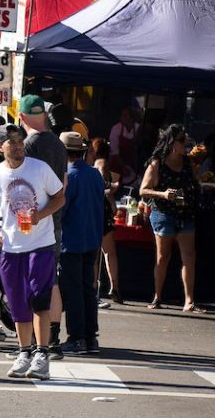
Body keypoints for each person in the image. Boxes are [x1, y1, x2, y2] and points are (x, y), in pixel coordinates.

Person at [0, 124, 64, 381]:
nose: (18, 147)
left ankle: (42, 354)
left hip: (40, 244)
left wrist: (40, 214)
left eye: (20, 142)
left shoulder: (39, 168)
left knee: (39, 298)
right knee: (17, 302)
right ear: (0, 146)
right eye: (12, 142)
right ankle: (24, 352)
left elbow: (60, 196)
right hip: (11, 247)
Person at [18, 94, 68, 357]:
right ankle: (54, 340)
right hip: (54, 218)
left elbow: (22, 189)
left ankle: (33, 345)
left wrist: (21, 225)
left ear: (22, 117)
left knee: (30, 281)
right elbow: (64, 184)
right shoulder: (59, 145)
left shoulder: (29, 145)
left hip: (33, 220)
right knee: (52, 280)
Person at [139, 124, 204, 313]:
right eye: (182, 141)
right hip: (164, 214)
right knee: (163, 256)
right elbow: (143, 190)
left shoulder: (187, 162)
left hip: (185, 213)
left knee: (189, 256)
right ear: (172, 143)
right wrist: (164, 194)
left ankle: (189, 301)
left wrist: (201, 183)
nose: (185, 144)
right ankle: (157, 296)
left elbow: (196, 180)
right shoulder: (157, 163)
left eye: (185, 140)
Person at [58, 132, 105, 354]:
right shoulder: (95, 174)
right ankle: (90, 337)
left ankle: (77, 338)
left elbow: (61, 210)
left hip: (71, 240)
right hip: (91, 239)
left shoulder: (69, 176)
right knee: (87, 288)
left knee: (73, 290)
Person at [90, 138, 122, 304]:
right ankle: (113, 286)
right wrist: (113, 190)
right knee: (108, 252)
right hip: (102, 211)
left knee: (96, 253)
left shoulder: (96, 163)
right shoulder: (102, 163)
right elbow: (104, 187)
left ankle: (95, 287)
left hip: (96, 211)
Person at [109, 106, 141, 189]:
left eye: (125, 115)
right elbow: (115, 152)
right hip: (116, 166)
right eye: (122, 115)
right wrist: (123, 168)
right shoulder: (116, 129)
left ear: (132, 118)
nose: (121, 118)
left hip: (131, 166)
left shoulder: (138, 128)